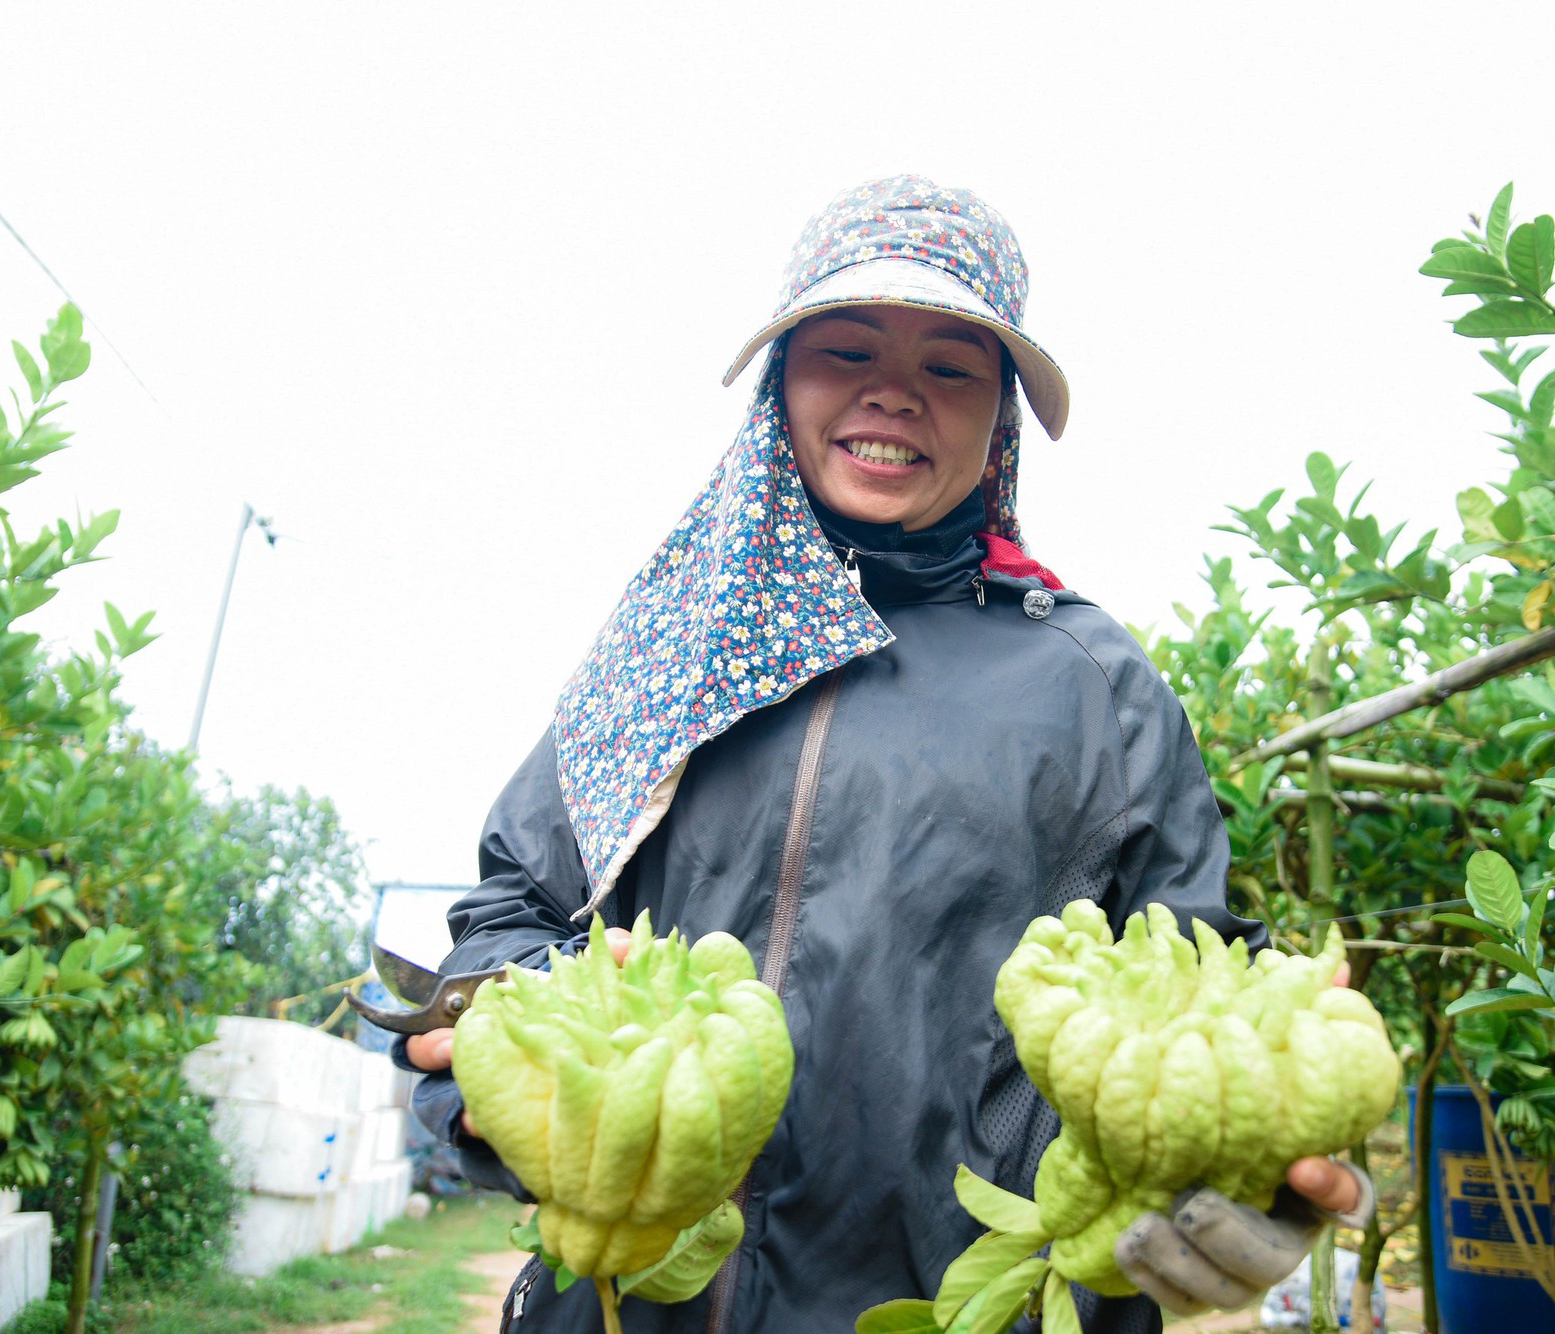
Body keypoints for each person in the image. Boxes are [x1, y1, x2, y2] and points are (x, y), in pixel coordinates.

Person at [400, 176, 1371, 1332]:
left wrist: (1252, 1162)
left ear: (998, 409)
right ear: (780, 383)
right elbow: (519, 899)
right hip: (619, 1302)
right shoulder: (670, 638)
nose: (893, 393)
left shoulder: (1093, 686)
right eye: (845, 346)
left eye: (950, 365)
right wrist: (506, 1063)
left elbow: (1195, 986)